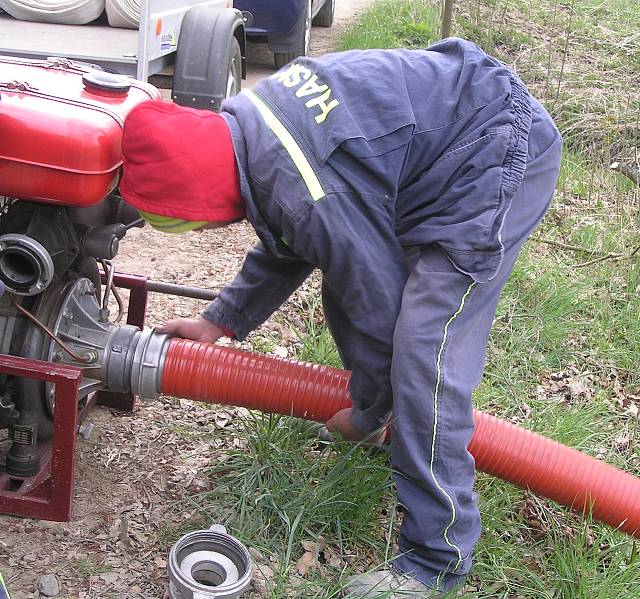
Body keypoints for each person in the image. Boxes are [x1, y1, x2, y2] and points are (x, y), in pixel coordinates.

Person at [120, 38, 562, 598]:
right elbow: (293, 233)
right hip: (447, 139)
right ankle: (400, 435)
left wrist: (365, 411)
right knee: (350, 287)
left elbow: (370, 296)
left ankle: (433, 561)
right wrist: (222, 320)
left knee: (426, 345)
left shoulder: (300, 186)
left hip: (493, 150)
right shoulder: (250, 129)